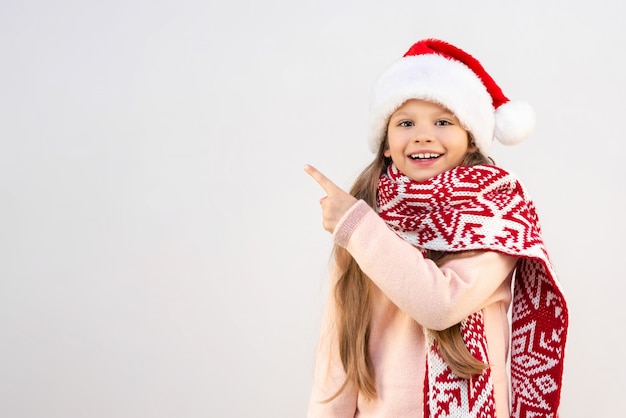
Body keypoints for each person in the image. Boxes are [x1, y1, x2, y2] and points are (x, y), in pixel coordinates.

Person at [304, 39, 568, 418]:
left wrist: (355, 227)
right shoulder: (368, 213)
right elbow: (336, 359)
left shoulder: (496, 211)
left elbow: (440, 305)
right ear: (387, 145)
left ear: (470, 138)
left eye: (443, 121)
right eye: (406, 122)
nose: (423, 135)